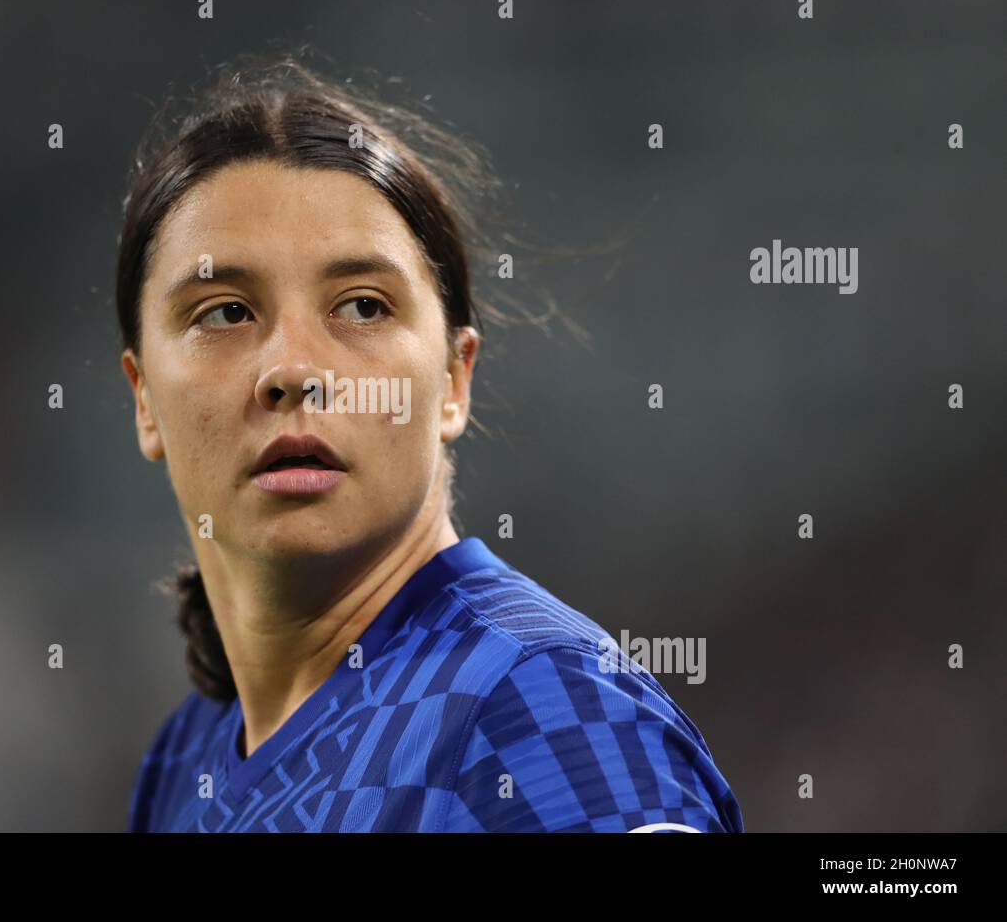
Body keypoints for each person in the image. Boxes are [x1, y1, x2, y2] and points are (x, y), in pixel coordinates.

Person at [116, 53, 743, 832]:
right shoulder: (183, 762)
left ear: (453, 378)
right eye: (223, 313)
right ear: (144, 398)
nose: (292, 372)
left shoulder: (539, 708)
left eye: (363, 307)